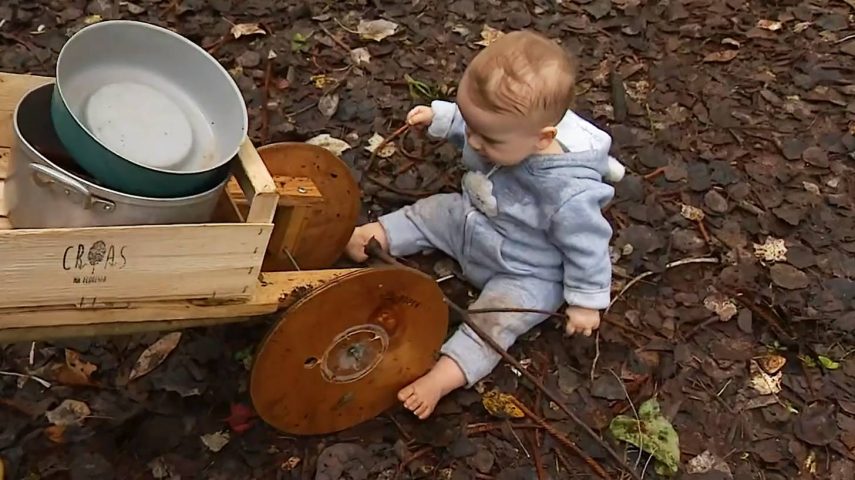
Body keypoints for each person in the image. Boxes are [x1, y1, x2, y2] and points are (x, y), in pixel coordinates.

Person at [346, 30, 620, 419]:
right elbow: (474, 118)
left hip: (525, 267)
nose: (473, 142)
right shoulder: (506, 128)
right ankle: (376, 235)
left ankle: (443, 376)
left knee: (495, 320)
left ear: (543, 139)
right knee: (432, 213)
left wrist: (586, 301)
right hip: (475, 219)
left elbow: (589, 246)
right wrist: (441, 116)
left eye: (486, 138)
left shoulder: (569, 193)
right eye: (470, 127)